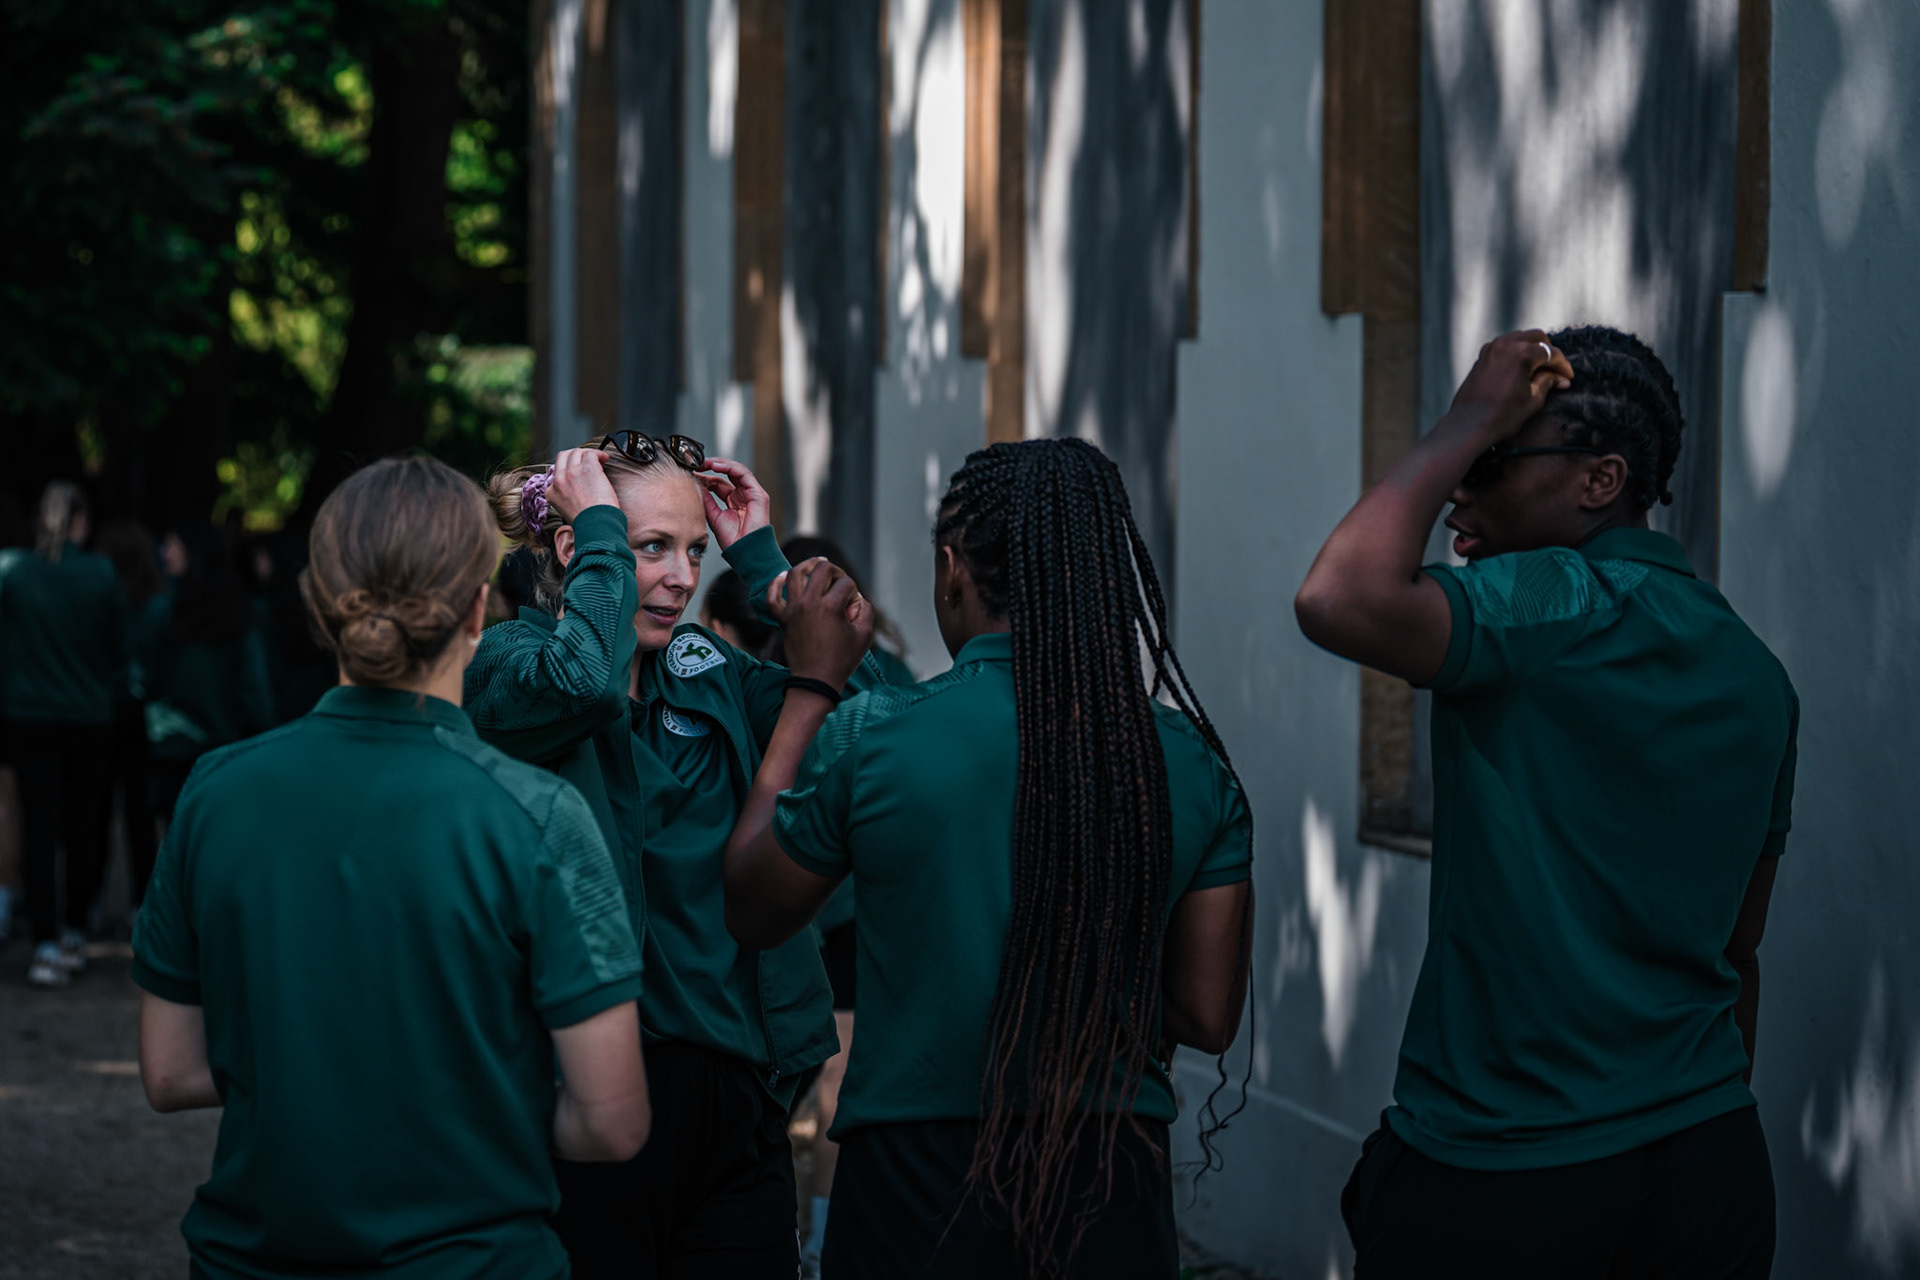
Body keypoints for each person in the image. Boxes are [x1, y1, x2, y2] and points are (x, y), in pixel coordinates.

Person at [1294, 327, 1797, 1279]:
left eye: (1488, 462)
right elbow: (1740, 949)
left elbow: (1337, 597)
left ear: (1600, 482)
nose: (1455, 490)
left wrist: (1467, 413)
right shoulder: (1757, 673)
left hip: (1510, 1165)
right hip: (1710, 1154)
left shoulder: (1546, 601)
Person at [724, 437, 1255, 1279]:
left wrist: (812, 691)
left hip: (914, 1184)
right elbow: (1204, 1014)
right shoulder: (1190, 760)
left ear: (952, 569)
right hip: (1113, 1175)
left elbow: (753, 905)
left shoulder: (877, 737)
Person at [133, 455, 651, 1278]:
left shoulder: (214, 792)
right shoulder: (539, 815)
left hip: (255, 1259)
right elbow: (613, 1120)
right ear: (478, 610)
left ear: (316, 605)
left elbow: (170, 1071)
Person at [467, 433, 875, 1280]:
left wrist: (769, 580)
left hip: (737, 1105)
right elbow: (583, 683)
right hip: (583, 1095)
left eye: (694, 550)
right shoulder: (507, 663)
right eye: (652, 546)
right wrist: (605, 550)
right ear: (582, 546)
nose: (686, 579)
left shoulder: (709, 670)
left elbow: (878, 734)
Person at [0, 482, 126, 987]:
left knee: (38, 825)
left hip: (29, 716)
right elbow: (117, 649)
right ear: (80, 521)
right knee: (83, 825)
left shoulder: (13, 572)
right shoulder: (99, 575)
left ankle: (47, 938)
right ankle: (74, 927)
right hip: (87, 718)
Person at [146, 525, 276, 823]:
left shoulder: (165, 615)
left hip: (174, 747)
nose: (164, 553)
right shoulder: (240, 617)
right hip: (224, 752)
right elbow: (256, 695)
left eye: (171, 544)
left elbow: (148, 676)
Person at [93, 518, 165, 916]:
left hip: (104, 711)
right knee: (139, 814)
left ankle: (93, 900)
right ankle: (141, 899)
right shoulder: (155, 604)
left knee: (96, 810)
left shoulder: (102, 600)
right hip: (140, 714)